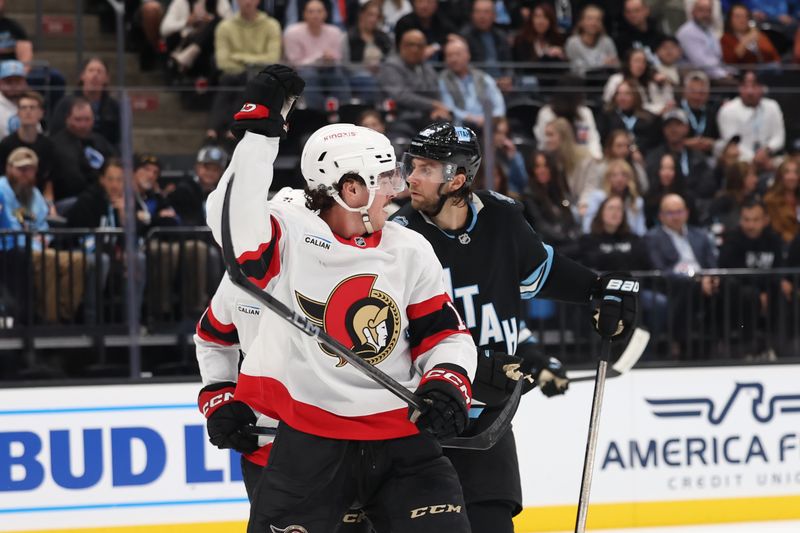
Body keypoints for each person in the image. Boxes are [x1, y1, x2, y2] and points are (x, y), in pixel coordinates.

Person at [205, 65, 478, 532]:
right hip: (310, 444)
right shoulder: (289, 234)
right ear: (351, 188)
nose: (397, 189)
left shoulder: (409, 248)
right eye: (385, 177)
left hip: (401, 438)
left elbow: (445, 334)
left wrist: (448, 381)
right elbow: (232, 222)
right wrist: (259, 134)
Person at [389, 121, 638, 533]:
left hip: (489, 424)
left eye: (426, 168)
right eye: (412, 165)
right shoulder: (399, 241)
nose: (411, 177)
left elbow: (546, 270)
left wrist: (597, 288)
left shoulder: (501, 220)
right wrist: (468, 368)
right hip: (422, 427)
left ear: (458, 180)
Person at [0, 147, 85, 324]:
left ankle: (64, 315)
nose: (26, 174)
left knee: (77, 261)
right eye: (21, 169)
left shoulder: (35, 194)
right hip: (9, 248)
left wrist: (45, 238)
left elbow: (43, 225)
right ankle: (50, 321)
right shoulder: (1, 189)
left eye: (30, 169)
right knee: (47, 261)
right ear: (9, 169)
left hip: (37, 247)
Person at [207, 0, 282, 140]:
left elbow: (272, 59)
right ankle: (222, 128)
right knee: (231, 80)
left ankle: (219, 127)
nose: (247, 1)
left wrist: (239, 57)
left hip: (262, 77)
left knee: (248, 82)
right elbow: (223, 62)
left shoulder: (271, 25)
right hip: (232, 75)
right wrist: (252, 63)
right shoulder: (224, 27)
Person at [378, 29, 451, 138]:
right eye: (411, 45)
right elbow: (400, 95)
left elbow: (435, 92)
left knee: (445, 126)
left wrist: (438, 109)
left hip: (426, 117)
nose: (415, 49)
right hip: (400, 117)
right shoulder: (391, 66)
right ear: (401, 46)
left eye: (420, 45)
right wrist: (432, 105)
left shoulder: (427, 68)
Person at [283, 0, 351, 110]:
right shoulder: (292, 32)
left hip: (329, 69)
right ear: (304, 14)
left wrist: (331, 59)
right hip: (303, 72)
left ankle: (344, 109)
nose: (315, 15)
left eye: (319, 11)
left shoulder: (335, 32)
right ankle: (317, 111)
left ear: (325, 13)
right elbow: (294, 62)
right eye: (311, 11)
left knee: (338, 73)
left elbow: (340, 59)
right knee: (309, 74)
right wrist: (319, 58)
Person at [716, 70, 785, 171]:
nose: (750, 92)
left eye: (754, 86)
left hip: (769, 156)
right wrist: (754, 158)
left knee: (790, 167)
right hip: (741, 160)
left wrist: (766, 150)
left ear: (762, 88)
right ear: (739, 88)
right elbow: (731, 141)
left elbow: (779, 137)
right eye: (745, 86)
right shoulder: (728, 110)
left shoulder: (772, 106)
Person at [50, 97, 117, 201]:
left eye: (87, 119)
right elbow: (73, 181)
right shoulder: (57, 145)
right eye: (78, 120)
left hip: (103, 197)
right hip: (71, 200)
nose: (83, 125)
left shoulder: (99, 141)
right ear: (67, 119)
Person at [644, 109, 716, 203]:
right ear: (663, 129)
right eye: (669, 125)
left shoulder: (698, 157)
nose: (673, 129)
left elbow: (708, 186)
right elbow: (652, 186)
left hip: (694, 206)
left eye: (678, 125)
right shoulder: (654, 157)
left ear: (686, 128)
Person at [0, 91, 58, 206]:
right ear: (17, 113)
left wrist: (50, 205)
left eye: (32, 107)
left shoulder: (48, 146)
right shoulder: (6, 144)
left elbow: (49, 181)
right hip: (9, 199)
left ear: (41, 113)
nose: (28, 111)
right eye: (23, 107)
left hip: (39, 201)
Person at [49, 57, 121, 147]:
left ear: (106, 78)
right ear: (82, 76)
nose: (95, 75)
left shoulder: (114, 107)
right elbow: (56, 136)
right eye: (91, 71)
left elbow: (119, 140)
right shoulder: (66, 104)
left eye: (99, 71)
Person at [438, 37, 505, 131]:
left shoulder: (483, 78)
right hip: (459, 127)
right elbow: (449, 107)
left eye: (457, 54)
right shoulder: (443, 80)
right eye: (449, 55)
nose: (453, 59)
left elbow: (498, 103)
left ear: (468, 55)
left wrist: (493, 119)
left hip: (487, 124)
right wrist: (472, 119)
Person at [520, 150, 580, 254]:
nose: (542, 170)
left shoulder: (558, 191)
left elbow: (569, 218)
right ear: (532, 170)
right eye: (538, 166)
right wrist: (564, 237)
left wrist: (572, 234)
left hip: (565, 241)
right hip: (546, 245)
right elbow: (540, 225)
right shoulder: (529, 195)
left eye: (545, 166)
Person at [533, 75, 602, 159]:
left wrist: (596, 160)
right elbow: (543, 143)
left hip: (582, 160)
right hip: (553, 160)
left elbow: (593, 140)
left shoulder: (585, 113)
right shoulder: (546, 113)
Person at [581, 158, 647, 236]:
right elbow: (587, 227)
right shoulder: (597, 197)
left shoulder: (637, 201)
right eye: (614, 175)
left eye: (624, 175)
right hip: (600, 240)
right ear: (608, 178)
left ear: (629, 178)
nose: (619, 179)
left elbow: (641, 232)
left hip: (627, 242)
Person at [676, 0, 736, 83]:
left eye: (708, 11)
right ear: (693, 12)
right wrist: (723, 74)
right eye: (701, 10)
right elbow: (701, 63)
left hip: (715, 73)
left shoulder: (709, 31)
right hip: (698, 77)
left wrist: (730, 71)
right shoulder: (687, 32)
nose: (705, 14)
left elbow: (717, 58)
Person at [169, 144, 229, 227]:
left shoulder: (223, 193)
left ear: (222, 172)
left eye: (216, 169)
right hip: (189, 237)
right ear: (197, 167)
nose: (210, 172)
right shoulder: (184, 190)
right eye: (207, 167)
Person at [601, 48, 675, 116]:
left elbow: (665, 101)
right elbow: (607, 102)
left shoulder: (649, 81)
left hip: (649, 116)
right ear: (628, 63)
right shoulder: (616, 79)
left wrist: (664, 83)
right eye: (637, 61)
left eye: (643, 62)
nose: (640, 65)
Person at [511, 2, 567, 87]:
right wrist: (546, 55)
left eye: (545, 17)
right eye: (537, 17)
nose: (541, 21)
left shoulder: (557, 39)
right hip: (530, 82)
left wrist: (561, 55)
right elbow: (524, 68)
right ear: (531, 19)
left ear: (550, 21)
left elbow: (564, 67)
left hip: (553, 84)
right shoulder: (521, 40)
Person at [598, 79, 661, 154]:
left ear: (635, 96)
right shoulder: (607, 117)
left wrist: (636, 150)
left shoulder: (648, 118)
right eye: (619, 94)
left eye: (627, 94)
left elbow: (654, 143)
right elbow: (604, 141)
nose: (622, 98)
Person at [460, 0, 513, 86]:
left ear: (494, 15)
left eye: (486, 12)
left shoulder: (501, 36)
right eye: (478, 12)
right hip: (477, 84)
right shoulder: (465, 37)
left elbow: (508, 63)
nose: (482, 16)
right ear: (472, 15)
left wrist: (508, 77)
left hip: (501, 84)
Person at [565, 4, 619, 75]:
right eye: (589, 19)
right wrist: (602, 65)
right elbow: (575, 69)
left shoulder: (607, 41)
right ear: (581, 22)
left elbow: (616, 65)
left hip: (603, 80)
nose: (593, 23)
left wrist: (612, 63)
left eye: (598, 19)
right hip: (581, 83)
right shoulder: (573, 42)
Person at [680, 70, 720, 156]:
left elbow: (719, 139)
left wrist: (712, 143)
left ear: (708, 93)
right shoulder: (676, 111)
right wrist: (686, 143)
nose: (697, 97)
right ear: (684, 92)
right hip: (681, 156)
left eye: (701, 93)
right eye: (693, 92)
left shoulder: (713, 113)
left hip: (708, 157)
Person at [763, 157, 800, 244]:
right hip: (782, 245)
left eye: (796, 172)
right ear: (780, 176)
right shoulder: (770, 200)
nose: (792, 177)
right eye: (787, 172)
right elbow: (776, 229)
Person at [0, 59, 27, 139]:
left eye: (18, 81)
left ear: (24, 83)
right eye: (9, 81)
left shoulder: (31, 104)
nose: (14, 85)